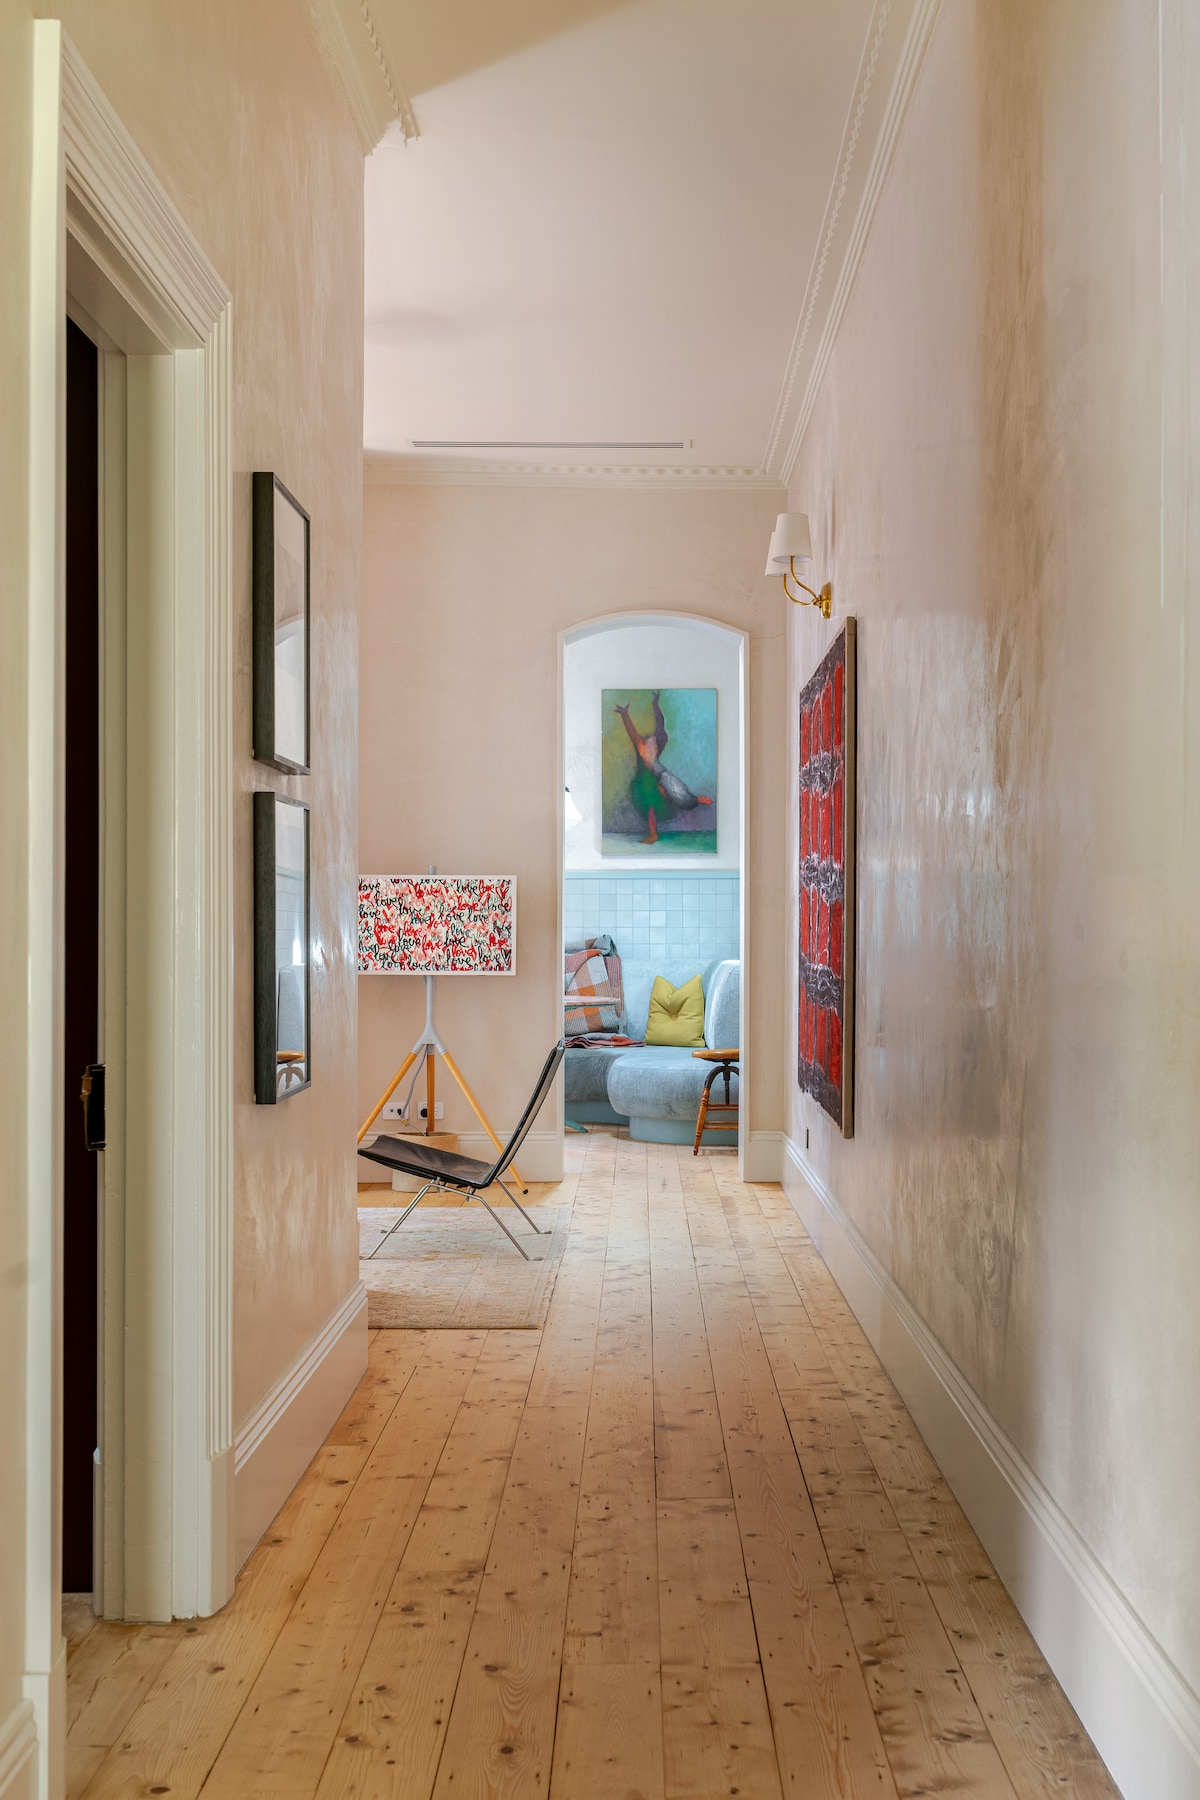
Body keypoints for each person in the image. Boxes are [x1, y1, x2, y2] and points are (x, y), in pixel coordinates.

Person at [614, 691, 713, 844]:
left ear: (657, 748)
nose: (653, 742)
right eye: (651, 741)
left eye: (655, 743)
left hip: (662, 777)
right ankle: (653, 834)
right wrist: (624, 714)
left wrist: (655, 703)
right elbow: (632, 732)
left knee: (679, 795)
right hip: (648, 782)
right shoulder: (641, 747)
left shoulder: (653, 748)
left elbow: (660, 723)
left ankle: (696, 800)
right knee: (652, 807)